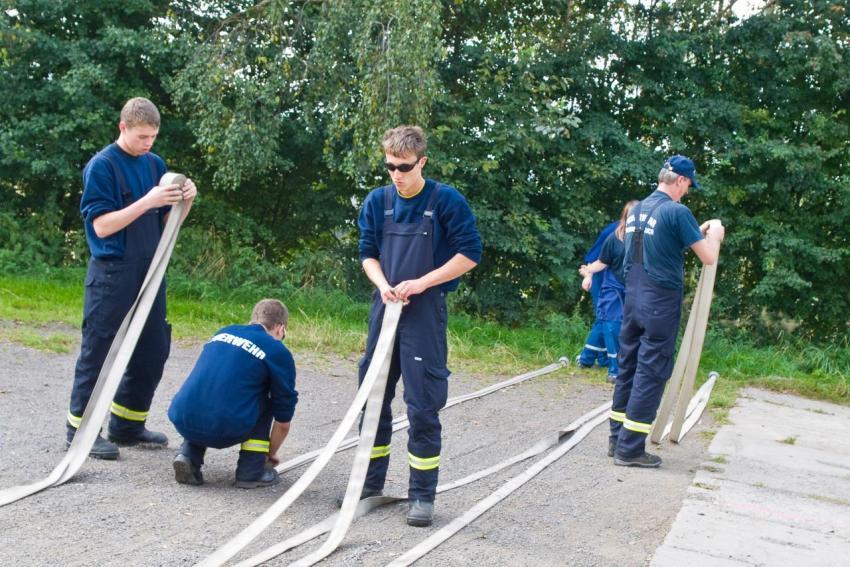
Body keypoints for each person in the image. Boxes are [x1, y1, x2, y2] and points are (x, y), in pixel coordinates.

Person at [354, 125, 482, 527]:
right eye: (390, 166)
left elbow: (470, 254)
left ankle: (421, 496)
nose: (396, 174)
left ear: (421, 161)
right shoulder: (378, 202)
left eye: (404, 167)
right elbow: (367, 253)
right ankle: (368, 485)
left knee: (423, 406)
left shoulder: (446, 201)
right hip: (385, 307)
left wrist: (422, 282)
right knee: (373, 400)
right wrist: (383, 285)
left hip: (425, 314)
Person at [66, 97, 197, 460]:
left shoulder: (155, 164)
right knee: (100, 349)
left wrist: (184, 202)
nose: (148, 143)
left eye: (153, 136)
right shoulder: (103, 166)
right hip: (113, 272)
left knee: (153, 348)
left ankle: (127, 423)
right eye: (142, 136)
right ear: (123, 128)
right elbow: (101, 226)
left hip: (150, 270)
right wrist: (149, 200)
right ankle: (79, 431)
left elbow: (168, 224)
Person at [609, 156, 724, 467]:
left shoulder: (637, 210)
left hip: (632, 299)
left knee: (628, 366)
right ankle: (631, 449)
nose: (687, 192)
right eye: (688, 185)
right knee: (651, 371)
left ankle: (616, 439)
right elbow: (709, 257)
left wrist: (694, 232)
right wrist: (715, 233)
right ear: (680, 181)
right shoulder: (677, 211)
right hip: (659, 303)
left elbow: (659, 245)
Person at [167, 299, 297, 488]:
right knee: (267, 396)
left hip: (184, 417)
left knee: (213, 390)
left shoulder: (224, 332)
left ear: (253, 320)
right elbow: (283, 420)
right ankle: (251, 471)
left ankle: (188, 455)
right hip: (226, 425)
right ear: (281, 329)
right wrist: (269, 453)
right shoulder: (277, 350)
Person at [579, 200, 638, 382]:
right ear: (626, 217)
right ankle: (615, 369)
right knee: (610, 323)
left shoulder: (647, 237)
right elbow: (598, 261)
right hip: (609, 283)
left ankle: (589, 358)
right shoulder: (612, 236)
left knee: (623, 325)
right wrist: (588, 274)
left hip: (634, 288)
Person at [576, 220, 619, 369]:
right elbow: (596, 259)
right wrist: (588, 276)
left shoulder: (630, 228)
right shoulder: (616, 230)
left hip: (609, 277)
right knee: (605, 319)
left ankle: (603, 359)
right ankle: (585, 359)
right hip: (600, 275)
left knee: (609, 319)